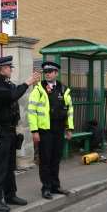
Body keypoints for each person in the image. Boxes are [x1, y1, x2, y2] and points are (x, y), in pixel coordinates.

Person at [0, 55, 40, 212]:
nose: (11, 69)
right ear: (2, 69)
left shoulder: (6, 83)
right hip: (0, 131)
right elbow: (12, 96)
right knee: (0, 167)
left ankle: (10, 195)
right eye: (9, 67)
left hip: (9, 130)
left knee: (10, 166)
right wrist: (28, 81)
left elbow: (15, 93)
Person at [27, 61, 74, 200]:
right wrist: (34, 131)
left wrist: (69, 128)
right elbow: (31, 111)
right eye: (46, 72)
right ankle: (46, 188)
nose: (47, 74)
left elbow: (70, 110)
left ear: (56, 73)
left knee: (56, 158)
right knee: (45, 160)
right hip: (45, 131)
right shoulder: (38, 89)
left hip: (59, 129)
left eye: (50, 71)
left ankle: (55, 185)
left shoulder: (64, 89)